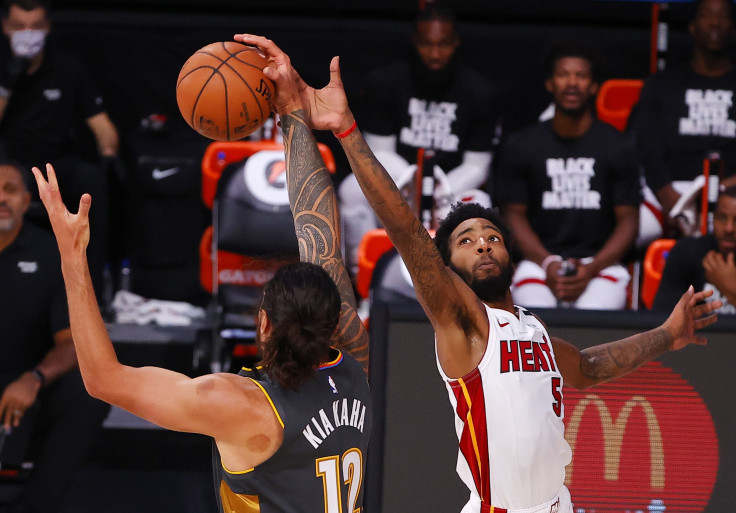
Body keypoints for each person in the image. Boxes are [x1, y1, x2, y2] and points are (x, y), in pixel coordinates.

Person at [236, 34, 723, 513]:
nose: (483, 243)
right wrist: (345, 130)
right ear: (447, 269)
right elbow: (406, 231)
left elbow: (592, 368)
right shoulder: (463, 320)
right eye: (465, 242)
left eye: (490, 235)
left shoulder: (532, 326)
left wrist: (667, 333)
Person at [31, 32, 371, 509]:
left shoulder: (242, 405)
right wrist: (293, 109)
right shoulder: (355, 364)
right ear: (336, 320)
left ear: (265, 322)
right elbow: (326, 247)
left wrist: (72, 256)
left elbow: (103, 380)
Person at [337, 3, 498, 276]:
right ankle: (362, 278)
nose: (435, 54)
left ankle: (471, 290)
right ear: (415, 41)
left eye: (443, 44)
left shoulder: (479, 92)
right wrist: (411, 183)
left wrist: (439, 191)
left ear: (456, 42)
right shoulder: (386, 82)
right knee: (352, 188)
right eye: (427, 44)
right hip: (396, 183)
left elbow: (477, 166)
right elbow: (378, 151)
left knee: (480, 202)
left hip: (448, 191)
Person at [494, 42, 640, 310]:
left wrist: (593, 267)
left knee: (599, 315)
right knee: (532, 314)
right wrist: (548, 262)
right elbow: (513, 214)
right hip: (538, 263)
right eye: (563, 74)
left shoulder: (618, 146)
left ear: (594, 86)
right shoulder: (522, 145)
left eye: (581, 76)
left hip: (600, 264)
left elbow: (629, 220)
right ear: (550, 83)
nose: (572, 83)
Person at [0, 160, 109, 513]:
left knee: (88, 392)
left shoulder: (49, 253)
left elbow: (72, 339)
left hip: (27, 379)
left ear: (26, 199)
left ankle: (35, 507)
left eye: (11, 189)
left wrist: (34, 379)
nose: (2, 198)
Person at [0, 0, 120, 296]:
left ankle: (92, 288)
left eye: (35, 27)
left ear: (47, 28)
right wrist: (9, 80)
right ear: (5, 28)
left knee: (94, 183)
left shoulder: (67, 67)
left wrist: (108, 154)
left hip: (56, 163)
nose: (28, 33)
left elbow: (103, 126)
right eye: (19, 27)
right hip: (9, 163)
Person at [630, 0, 736, 237]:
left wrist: (718, 192)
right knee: (621, 233)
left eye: (723, 16)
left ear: (734, 28)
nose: (715, 22)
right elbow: (648, 150)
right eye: (707, 15)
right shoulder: (661, 84)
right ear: (692, 26)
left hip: (730, 193)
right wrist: (672, 202)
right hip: (666, 191)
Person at [653, 185, 736, 314]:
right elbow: (663, 320)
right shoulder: (687, 253)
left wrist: (731, 287)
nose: (729, 229)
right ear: (713, 218)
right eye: (722, 218)